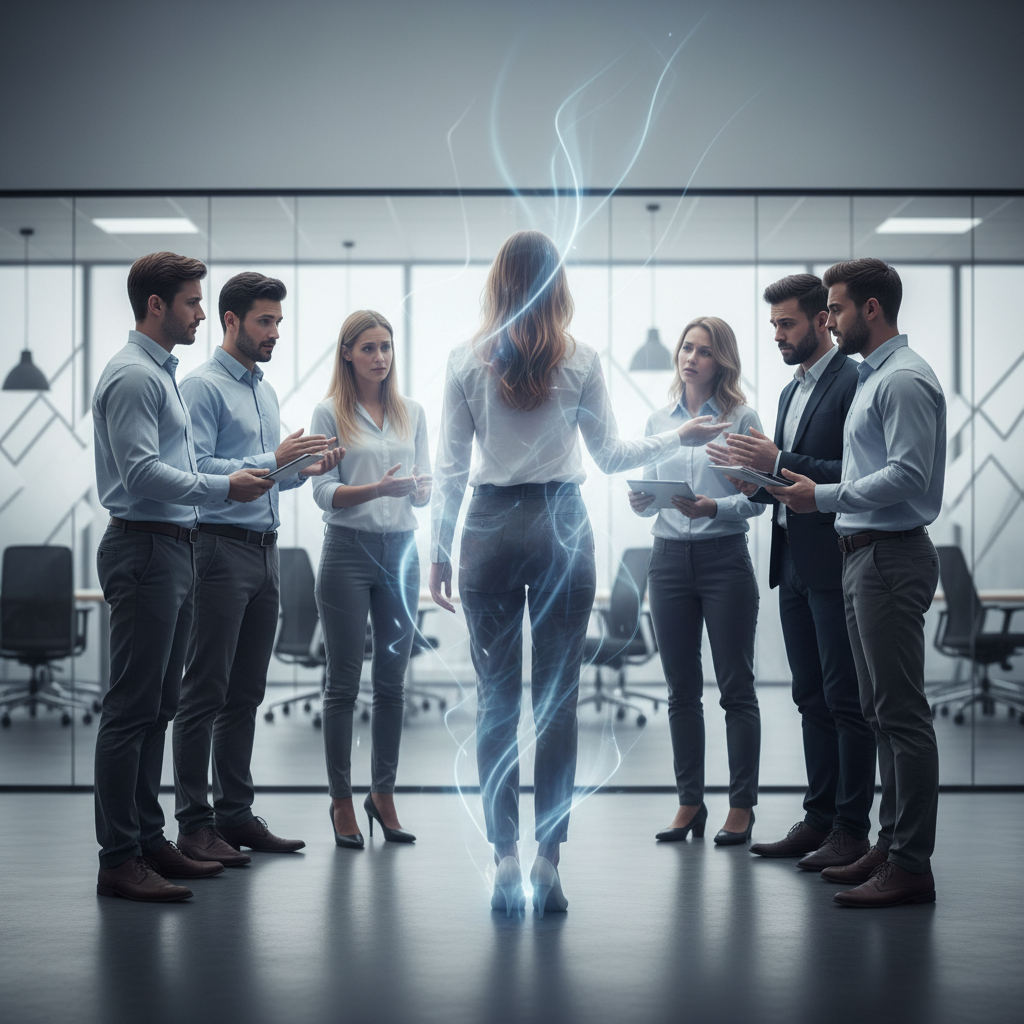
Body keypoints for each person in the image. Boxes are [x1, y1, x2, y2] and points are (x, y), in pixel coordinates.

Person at [429, 230, 730, 916]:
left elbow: (449, 469)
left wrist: (440, 551)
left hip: (488, 528)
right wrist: (678, 435)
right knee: (557, 703)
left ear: (497, 284)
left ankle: (504, 860)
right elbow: (612, 456)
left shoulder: (463, 359)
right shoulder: (582, 358)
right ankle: (548, 861)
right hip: (561, 525)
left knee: (497, 703)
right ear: (557, 285)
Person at [91, 252, 274, 902]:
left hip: (173, 547)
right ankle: (119, 858)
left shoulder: (161, 374)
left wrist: (258, 472)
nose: (202, 313)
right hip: (144, 546)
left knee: (158, 707)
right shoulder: (135, 377)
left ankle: (147, 841)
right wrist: (224, 487)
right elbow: (141, 474)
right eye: (193, 303)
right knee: (131, 710)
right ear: (156, 305)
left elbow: (182, 463)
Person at [767, 258, 945, 908]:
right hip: (861, 555)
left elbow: (909, 475)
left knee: (901, 715)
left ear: (871, 309)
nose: (831, 320)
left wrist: (823, 495)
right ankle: (890, 846)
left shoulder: (903, 380)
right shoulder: (875, 378)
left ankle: (911, 863)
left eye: (837, 309)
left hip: (889, 555)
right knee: (878, 713)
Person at [706, 274, 876, 872]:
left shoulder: (853, 382)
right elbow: (787, 480)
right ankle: (820, 819)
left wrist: (775, 460)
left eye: (787, 323)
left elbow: (853, 471)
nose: (777, 334)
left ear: (822, 321)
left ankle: (852, 830)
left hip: (834, 557)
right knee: (811, 697)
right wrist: (752, 481)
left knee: (845, 699)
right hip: (793, 562)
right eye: (774, 324)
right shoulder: (788, 392)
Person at [173, 272, 343, 866]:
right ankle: (194, 825)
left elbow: (262, 477)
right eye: (264, 321)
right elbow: (197, 470)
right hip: (217, 550)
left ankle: (235, 815)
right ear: (231, 321)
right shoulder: (201, 388)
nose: (273, 332)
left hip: (264, 552)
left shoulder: (263, 392)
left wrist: (302, 470)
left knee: (245, 693)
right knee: (204, 692)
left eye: (278, 322)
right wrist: (274, 458)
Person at [628, 317, 764, 846]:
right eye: (687, 348)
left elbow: (758, 498)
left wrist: (715, 507)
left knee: (736, 689)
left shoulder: (741, 418)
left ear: (720, 360)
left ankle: (741, 806)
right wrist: (642, 501)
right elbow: (651, 496)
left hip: (723, 559)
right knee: (681, 692)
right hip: (666, 561)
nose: (691, 358)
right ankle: (690, 803)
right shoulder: (658, 420)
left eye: (704, 351)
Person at [311, 310, 431, 850]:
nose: (380, 357)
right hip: (348, 551)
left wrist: (420, 491)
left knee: (391, 683)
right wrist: (376, 490)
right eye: (368, 348)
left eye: (385, 347)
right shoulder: (329, 412)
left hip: (401, 552)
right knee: (342, 682)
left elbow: (423, 486)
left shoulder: (413, 412)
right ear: (347, 354)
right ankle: (341, 800)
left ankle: (382, 795)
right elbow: (322, 493)